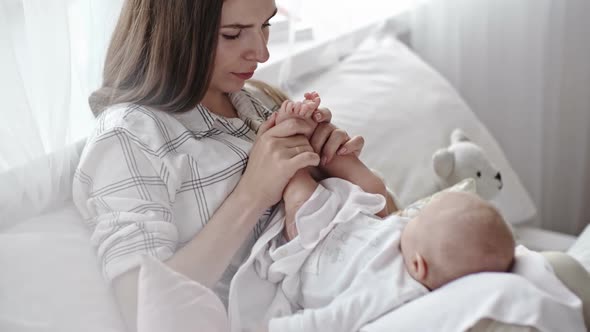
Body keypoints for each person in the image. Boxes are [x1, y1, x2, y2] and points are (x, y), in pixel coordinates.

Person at [72, 0, 396, 331]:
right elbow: (143, 309)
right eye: (233, 34)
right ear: (174, 35)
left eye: (266, 25)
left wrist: (343, 167)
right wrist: (253, 194)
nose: (261, 53)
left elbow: (385, 226)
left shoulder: (259, 102)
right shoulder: (128, 137)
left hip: (378, 285)